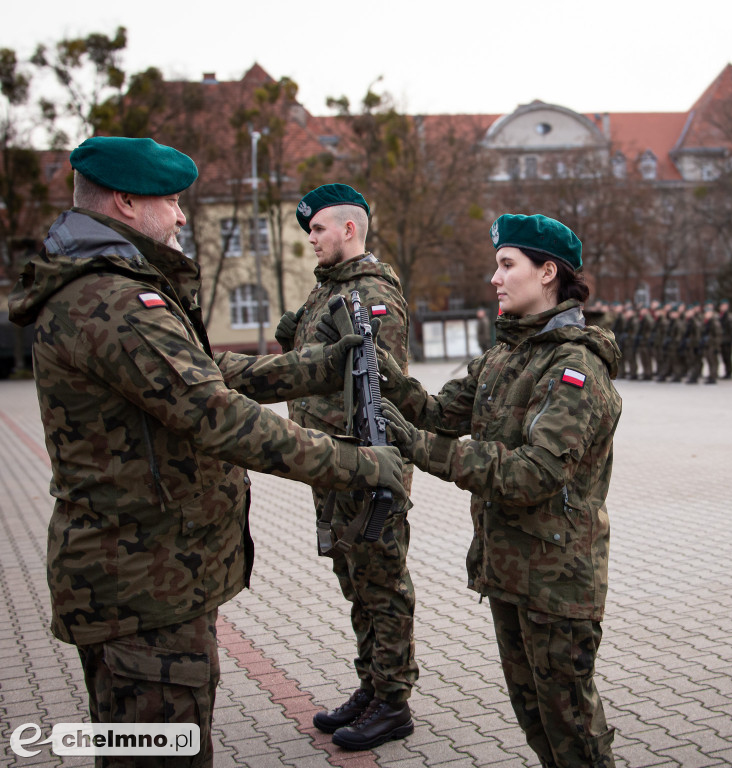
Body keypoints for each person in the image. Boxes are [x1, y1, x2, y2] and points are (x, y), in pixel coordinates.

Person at [6, 137, 407, 768]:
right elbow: (217, 414)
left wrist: (317, 366)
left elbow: (203, 371)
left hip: (147, 576)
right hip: (141, 587)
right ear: (127, 202)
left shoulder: (115, 287)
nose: (181, 215)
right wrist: (361, 464)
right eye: (170, 199)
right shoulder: (115, 300)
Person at [376, 213, 621, 768]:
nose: (496, 277)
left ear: (548, 272)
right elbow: (440, 413)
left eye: (508, 265)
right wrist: (379, 367)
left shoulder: (572, 365)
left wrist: (418, 447)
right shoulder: (508, 353)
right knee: (534, 714)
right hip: (509, 567)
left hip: (557, 578)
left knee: (572, 727)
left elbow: (533, 473)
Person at [276, 183, 417, 750]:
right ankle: (372, 684)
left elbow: (382, 389)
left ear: (349, 230)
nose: (310, 240)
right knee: (355, 583)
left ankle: (393, 701)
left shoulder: (369, 293)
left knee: (382, 584)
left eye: (317, 230)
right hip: (331, 466)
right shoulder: (327, 293)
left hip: (364, 468)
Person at [718, 299, 732, 379]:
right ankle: (726, 372)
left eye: (725, 306)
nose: (723, 307)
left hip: (728, 340)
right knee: (724, 357)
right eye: (722, 306)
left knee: (728, 357)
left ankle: (730, 372)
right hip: (722, 340)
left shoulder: (729, 316)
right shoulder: (720, 315)